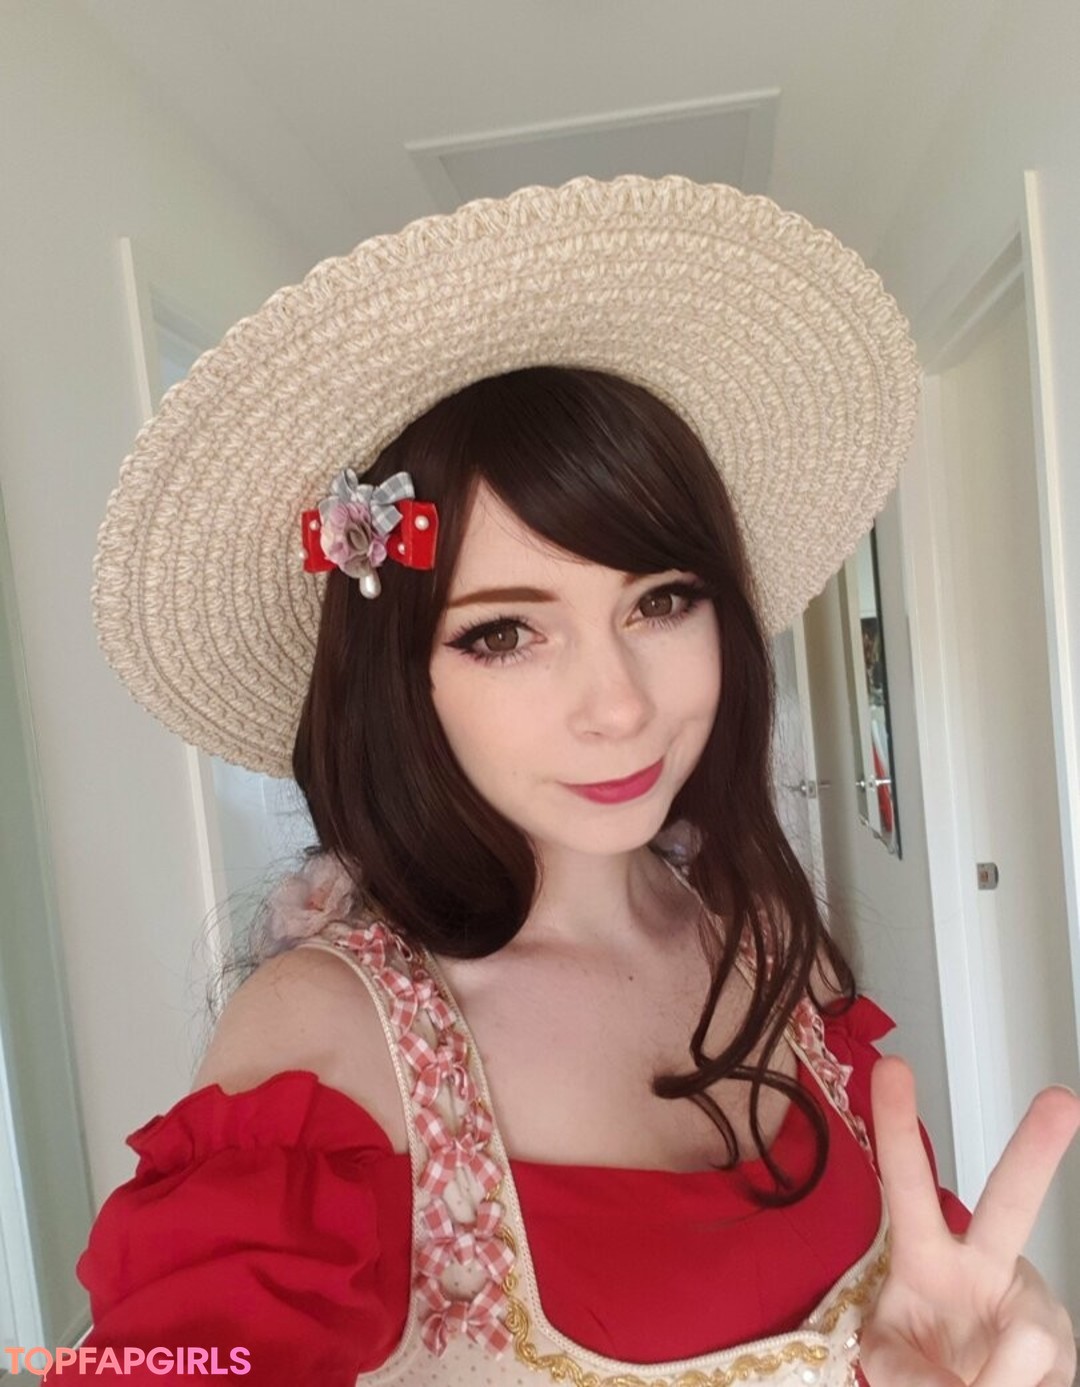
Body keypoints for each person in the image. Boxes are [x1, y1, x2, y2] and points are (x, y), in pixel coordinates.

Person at [70, 176, 1077, 1386]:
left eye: (662, 601)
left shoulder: (768, 938)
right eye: (504, 632)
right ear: (402, 677)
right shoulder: (329, 1038)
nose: (621, 707)